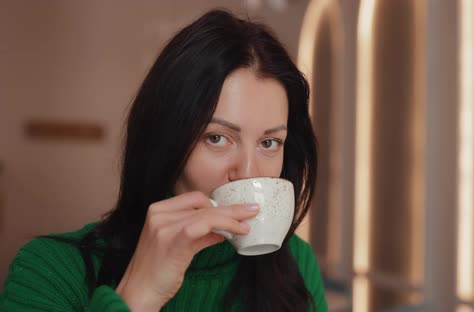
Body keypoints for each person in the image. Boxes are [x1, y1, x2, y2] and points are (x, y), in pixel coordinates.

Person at [0, 9, 327, 312]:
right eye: (216, 138)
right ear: (166, 140)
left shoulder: (296, 263)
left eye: (269, 143)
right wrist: (139, 295)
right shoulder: (50, 272)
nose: (247, 173)